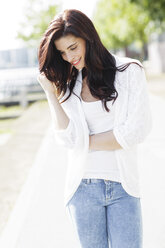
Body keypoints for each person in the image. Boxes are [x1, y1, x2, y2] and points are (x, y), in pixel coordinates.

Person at [37, 8, 152, 248]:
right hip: (83, 189)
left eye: (73, 48)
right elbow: (66, 139)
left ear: (88, 38)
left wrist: (84, 142)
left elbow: (138, 130)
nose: (69, 58)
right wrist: (51, 94)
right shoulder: (70, 84)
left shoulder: (129, 71)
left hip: (123, 187)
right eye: (62, 53)